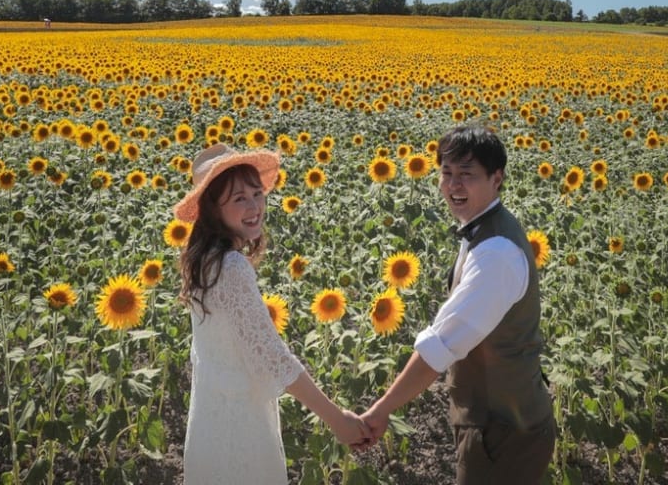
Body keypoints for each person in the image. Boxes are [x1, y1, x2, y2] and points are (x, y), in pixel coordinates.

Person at [360, 123, 555, 484]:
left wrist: (380, 410)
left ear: (496, 179)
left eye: (467, 175)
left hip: (504, 431)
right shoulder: (483, 228)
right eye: (446, 173)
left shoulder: (496, 253)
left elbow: (442, 345)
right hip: (496, 422)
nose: (453, 185)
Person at [174, 143, 369, 484]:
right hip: (239, 429)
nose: (254, 207)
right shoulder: (231, 267)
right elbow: (273, 358)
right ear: (212, 210)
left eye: (257, 193)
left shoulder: (204, 262)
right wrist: (337, 420)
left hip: (209, 423)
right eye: (238, 199)